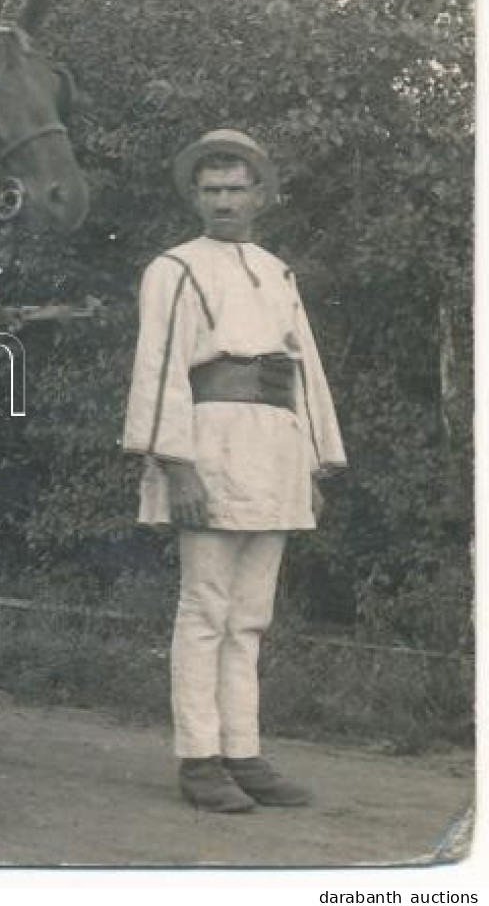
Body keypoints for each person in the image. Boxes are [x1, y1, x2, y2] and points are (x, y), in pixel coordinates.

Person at [122, 128, 346, 814]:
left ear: (261, 195)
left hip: (273, 449)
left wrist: (311, 458)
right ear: (194, 196)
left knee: (250, 614)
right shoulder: (173, 267)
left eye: (235, 188)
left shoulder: (277, 270)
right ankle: (198, 759)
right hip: (208, 445)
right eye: (210, 189)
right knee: (205, 608)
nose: (223, 201)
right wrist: (176, 464)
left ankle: (243, 753)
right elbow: (159, 368)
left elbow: (301, 367)